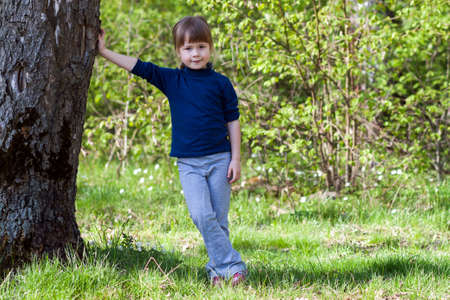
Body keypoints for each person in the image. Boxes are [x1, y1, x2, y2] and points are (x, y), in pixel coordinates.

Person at [97, 16, 247, 287]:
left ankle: (218, 271)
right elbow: (139, 67)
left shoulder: (221, 83)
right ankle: (234, 264)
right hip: (189, 164)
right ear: (178, 52)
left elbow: (233, 120)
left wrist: (236, 158)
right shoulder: (172, 80)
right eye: (188, 49)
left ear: (210, 48)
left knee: (219, 220)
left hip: (220, 159)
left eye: (201, 47)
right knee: (202, 215)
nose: (195, 54)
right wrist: (104, 52)